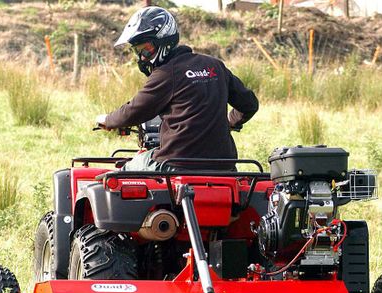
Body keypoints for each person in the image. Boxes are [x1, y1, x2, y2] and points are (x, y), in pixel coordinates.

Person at [95, 6, 259, 171]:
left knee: (126, 171)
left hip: (176, 164)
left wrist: (108, 120)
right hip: (224, 166)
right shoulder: (215, 65)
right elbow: (250, 104)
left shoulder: (166, 73)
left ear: (164, 40)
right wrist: (230, 122)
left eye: (147, 48)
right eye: (138, 51)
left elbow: (134, 110)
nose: (143, 56)